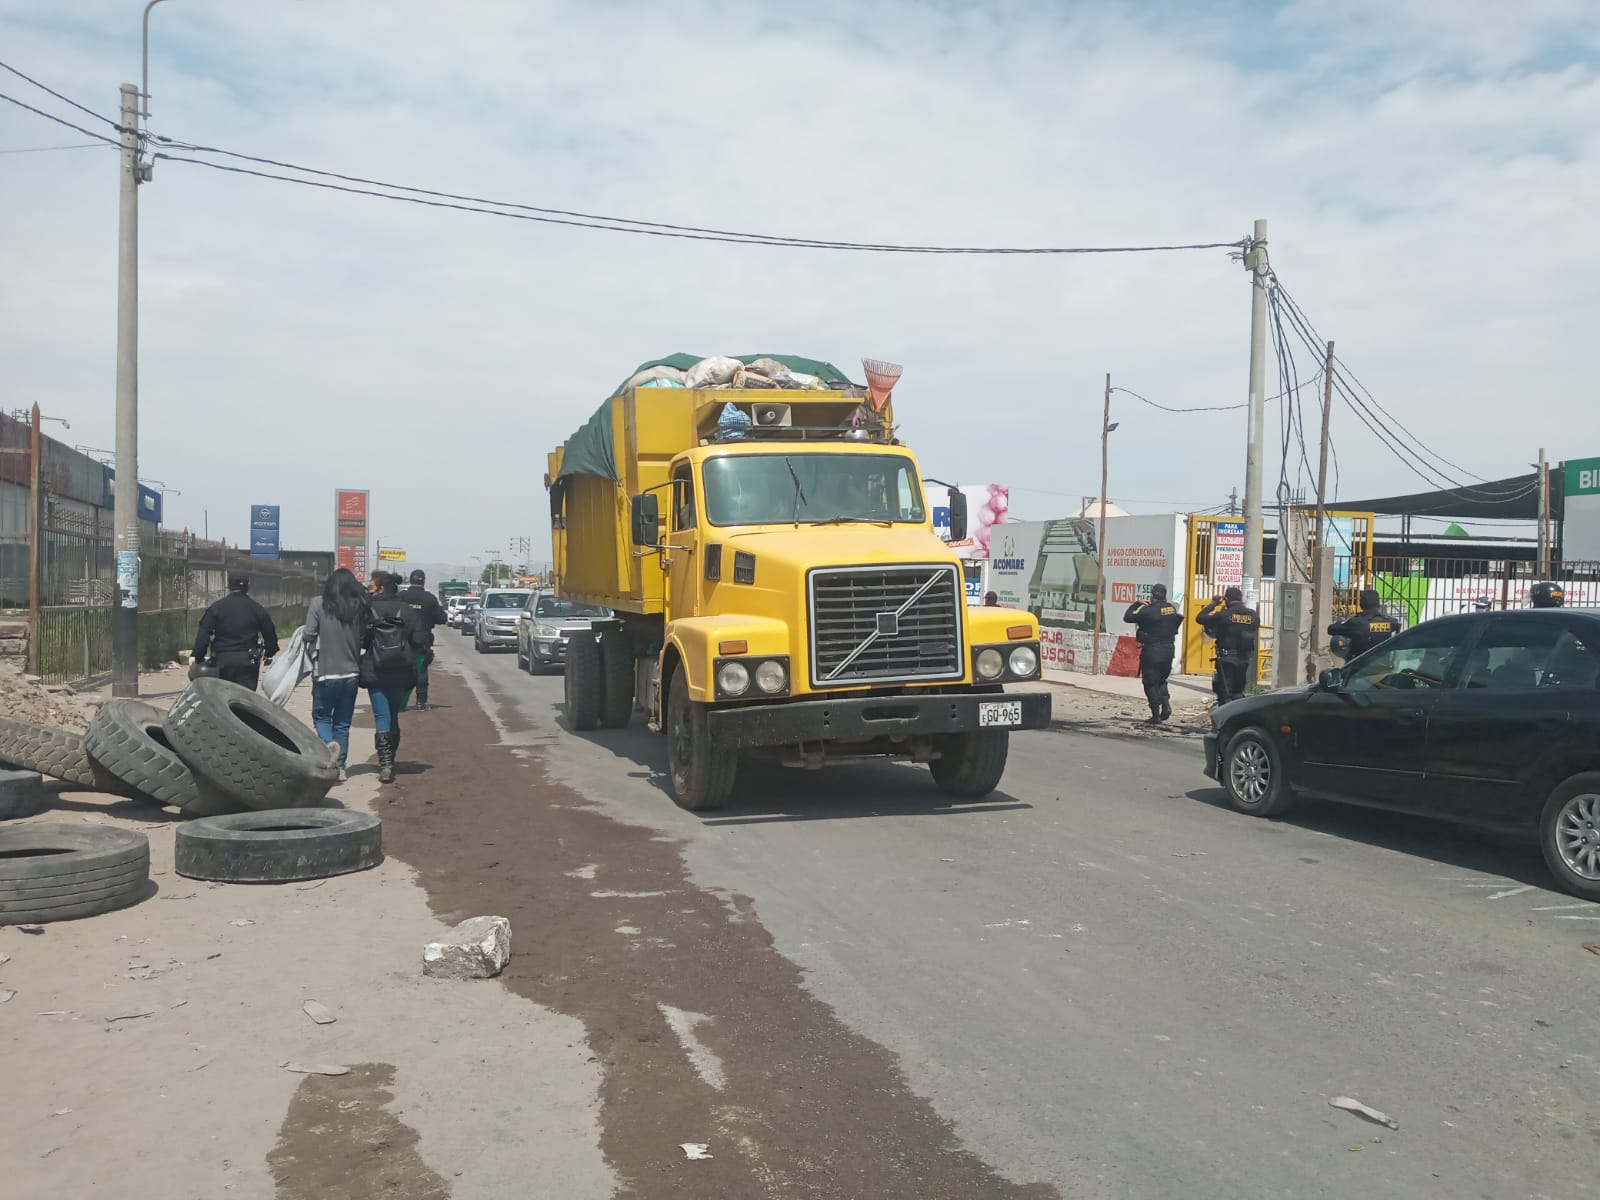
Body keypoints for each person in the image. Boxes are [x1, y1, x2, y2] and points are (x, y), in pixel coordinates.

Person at [363, 571, 429, 784]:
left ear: (381, 589)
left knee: (382, 717)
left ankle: (385, 765)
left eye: (371, 587)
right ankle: (391, 759)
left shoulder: (368, 610)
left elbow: (359, 640)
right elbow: (421, 641)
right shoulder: (407, 611)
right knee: (393, 715)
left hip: (376, 672)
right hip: (401, 673)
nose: (369, 591)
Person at [304, 568, 369, 782]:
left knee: (322, 716)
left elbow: (309, 634)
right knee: (342, 722)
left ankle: (328, 747)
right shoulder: (357, 606)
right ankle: (340, 767)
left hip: (325, 673)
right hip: (351, 673)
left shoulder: (318, 604)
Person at [193, 573, 279, 691]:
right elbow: (269, 631)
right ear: (247, 586)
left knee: (222, 697)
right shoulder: (256, 608)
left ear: (229, 586)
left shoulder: (217, 607)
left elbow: (204, 632)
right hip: (248, 661)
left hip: (222, 660)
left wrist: (199, 657)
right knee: (245, 699)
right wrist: (270, 652)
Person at [1124, 584, 1183, 723]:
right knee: (1162, 680)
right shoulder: (1171, 609)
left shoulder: (1148, 611)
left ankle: (1156, 714)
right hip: (1169, 650)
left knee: (1150, 682)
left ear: (1152, 595)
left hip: (1153, 651)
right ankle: (1166, 705)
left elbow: (1127, 617)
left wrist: (1137, 604)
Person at [1196, 586, 1260, 706]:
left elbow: (1200, 618)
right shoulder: (1253, 615)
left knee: (1225, 691)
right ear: (1241, 599)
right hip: (1244, 658)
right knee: (1238, 691)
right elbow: (1254, 627)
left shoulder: (1224, 615)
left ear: (1226, 599)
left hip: (1227, 659)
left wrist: (1213, 603)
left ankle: (1225, 718)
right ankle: (1238, 716)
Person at [400, 569, 448, 710]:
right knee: (421, 670)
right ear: (424, 581)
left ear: (410, 580)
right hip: (422, 640)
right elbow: (442, 619)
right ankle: (420, 702)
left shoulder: (401, 596)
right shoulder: (430, 598)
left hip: (401, 639)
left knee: (400, 670)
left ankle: (399, 702)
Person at [1327, 589, 1398, 660]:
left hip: (1360, 667)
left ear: (1361, 604)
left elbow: (1331, 629)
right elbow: (1398, 628)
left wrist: (1340, 621)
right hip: (1385, 666)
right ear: (1378, 604)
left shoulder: (1357, 623)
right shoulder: (1390, 621)